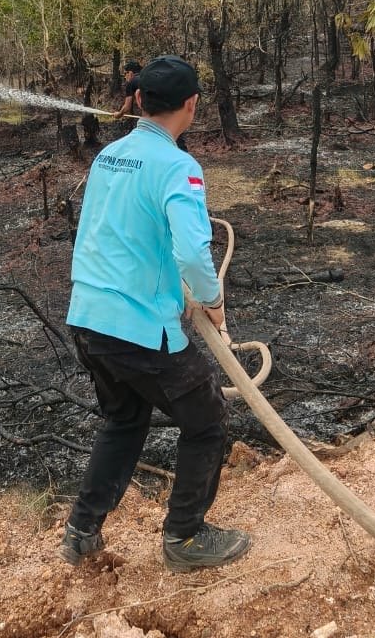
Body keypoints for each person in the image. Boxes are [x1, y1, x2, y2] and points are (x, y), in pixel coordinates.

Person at [60, 55, 252, 573]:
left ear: (141, 100)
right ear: (191, 106)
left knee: (124, 419)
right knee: (207, 417)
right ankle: (185, 538)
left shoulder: (108, 156)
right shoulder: (179, 167)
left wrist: (183, 288)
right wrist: (210, 302)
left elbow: (125, 232)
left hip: (87, 317)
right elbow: (192, 251)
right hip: (138, 327)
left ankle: (81, 531)